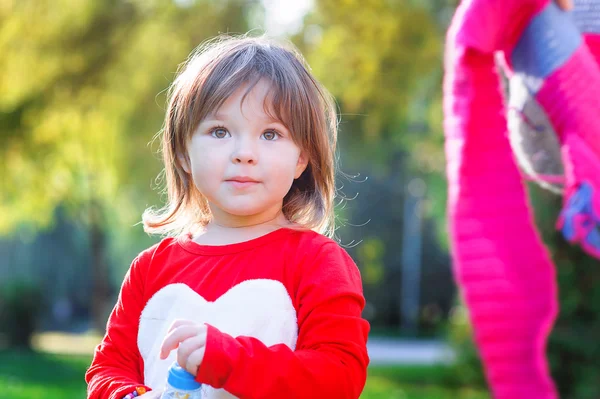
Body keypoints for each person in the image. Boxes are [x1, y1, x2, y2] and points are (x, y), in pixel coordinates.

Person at [85, 35, 370, 399]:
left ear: (302, 158)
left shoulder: (317, 262)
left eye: (270, 134)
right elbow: (109, 367)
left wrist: (227, 359)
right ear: (183, 154)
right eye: (220, 131)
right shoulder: (150, 269)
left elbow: (339, 377)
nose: (244, 153)